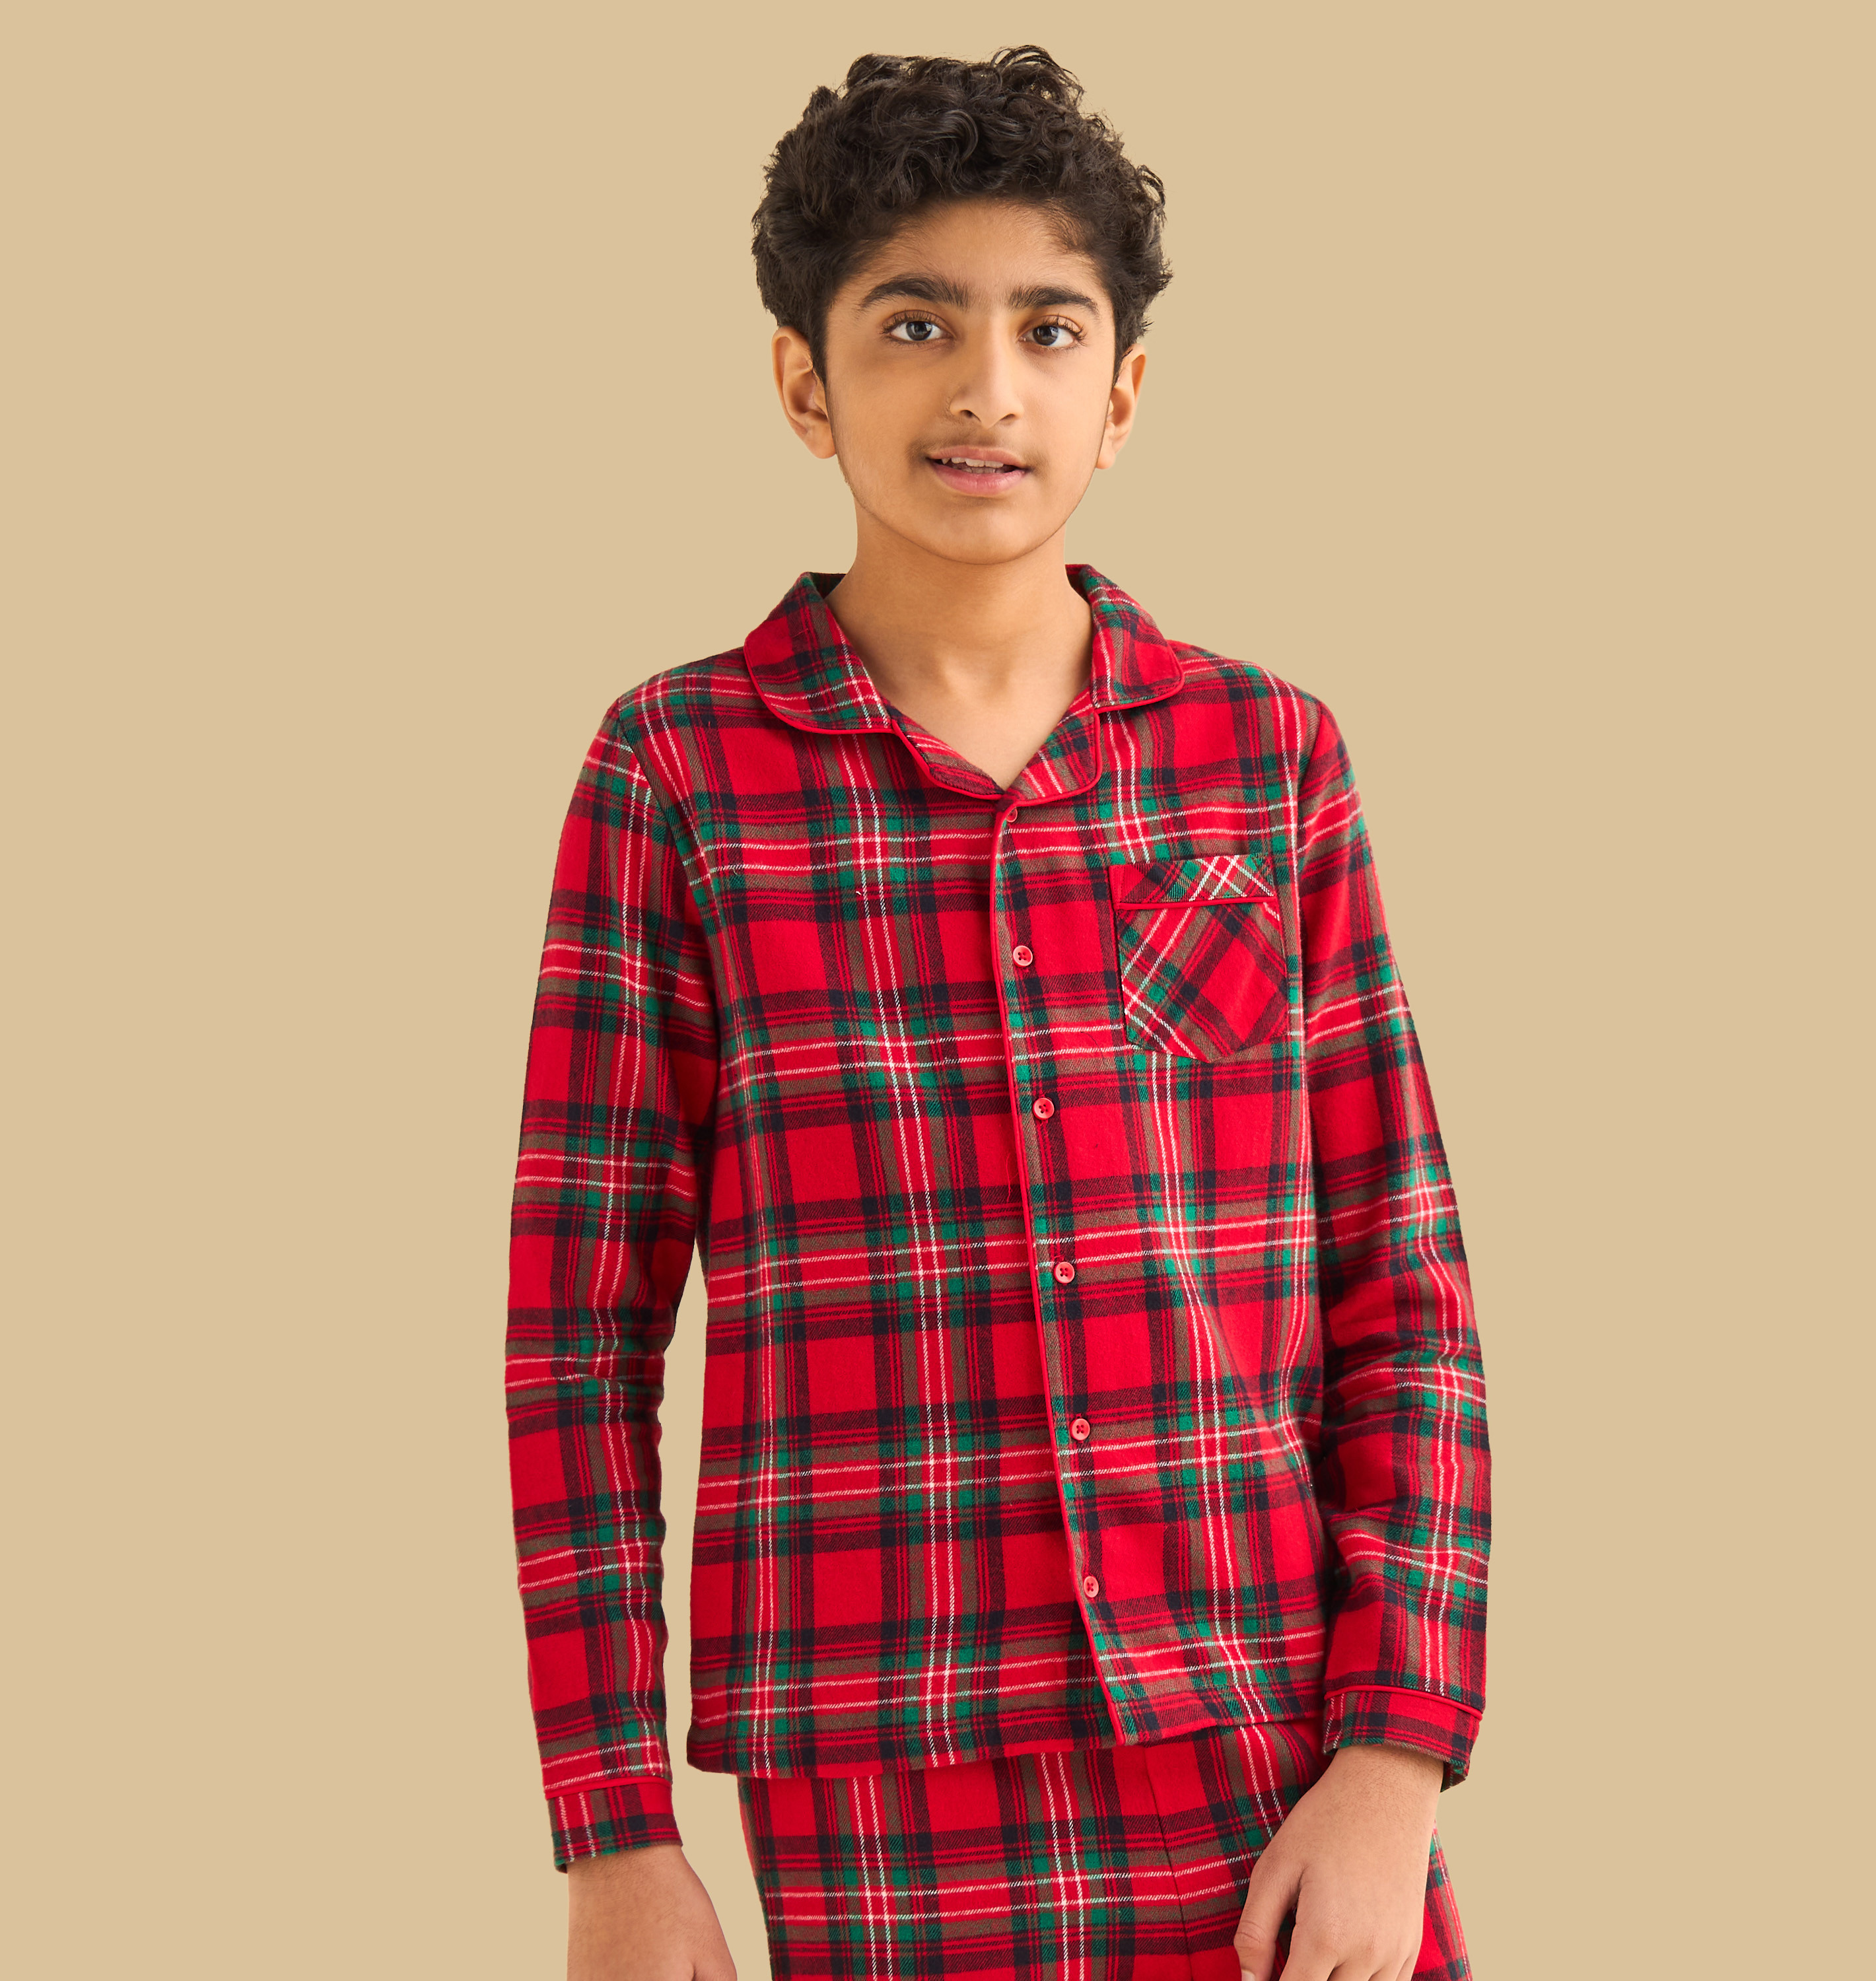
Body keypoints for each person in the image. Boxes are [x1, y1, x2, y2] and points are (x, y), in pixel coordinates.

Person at [506, 45, 1490, 1981]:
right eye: (914, 324)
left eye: (1048, 328)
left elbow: (1403, 1279)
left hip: (1267, 1745)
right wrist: (614, 1835)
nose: (986, 386)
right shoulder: (677, 775)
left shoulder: (1267, 760)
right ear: (806, 383)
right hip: (877, 1768)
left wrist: (1397, 1757)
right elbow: (577, 1337)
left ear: (1121, 394)